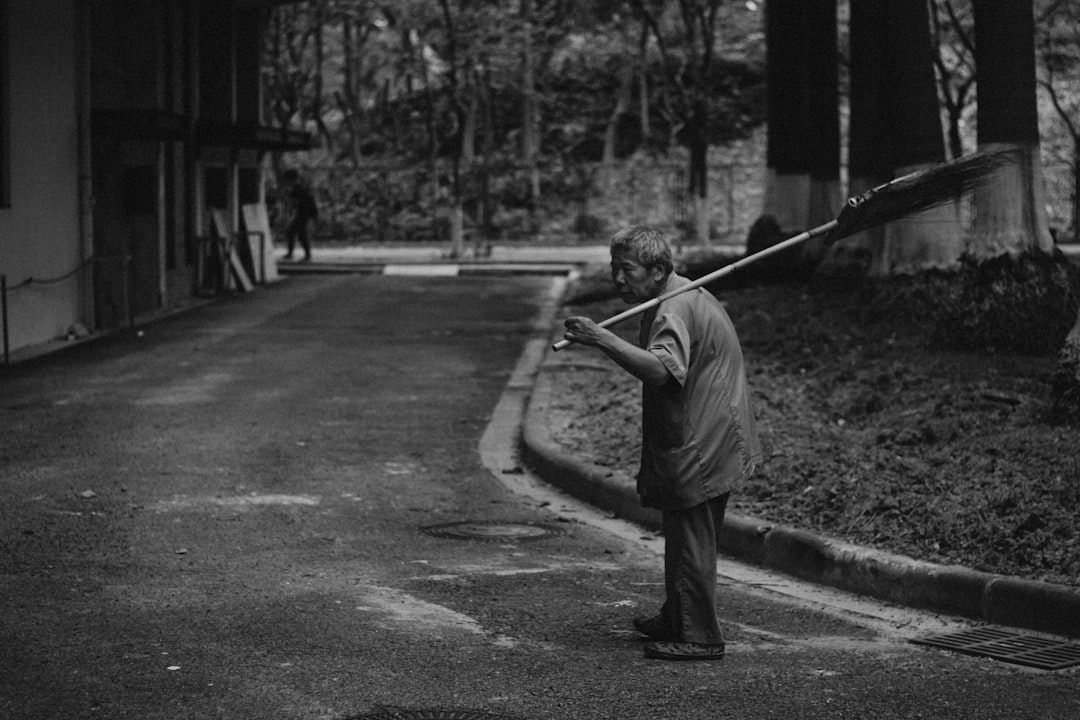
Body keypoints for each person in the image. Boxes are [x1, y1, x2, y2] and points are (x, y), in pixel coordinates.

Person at [562, 225, 762, 662]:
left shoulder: (674, 307)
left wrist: (600, 338)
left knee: (691, 538)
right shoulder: (675, 295)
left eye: (626, 270)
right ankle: (679, 618)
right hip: (705, 434)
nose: (617, 279)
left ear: (656, 269)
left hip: (704, 441)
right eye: (614, 269)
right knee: (683, 534)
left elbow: (662, 370)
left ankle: (700, 637)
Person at [281, 168, 318, 262]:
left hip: (305, 213)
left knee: (296, 233)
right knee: (296, 232)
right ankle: (302, 254)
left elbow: (299, 201)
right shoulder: (297, 187)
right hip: (304, 213)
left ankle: (303, 254)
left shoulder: (299, 188)